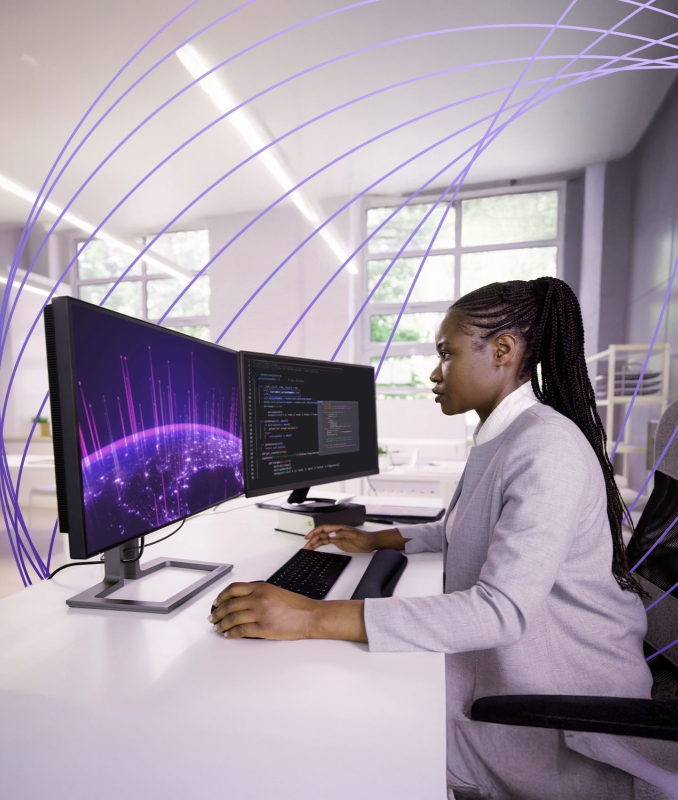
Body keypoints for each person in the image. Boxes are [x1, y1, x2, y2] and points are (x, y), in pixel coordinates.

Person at [208, 277, 652, 800]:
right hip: (520, 674)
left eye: (447, 353)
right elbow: (468, 525)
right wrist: (380, 539)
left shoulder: (546, 448)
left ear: (503, 350)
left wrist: (311, 616)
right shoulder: (509, 435)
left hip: (557, 714)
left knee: (335, 730)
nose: (435, 373)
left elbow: (500, 612)